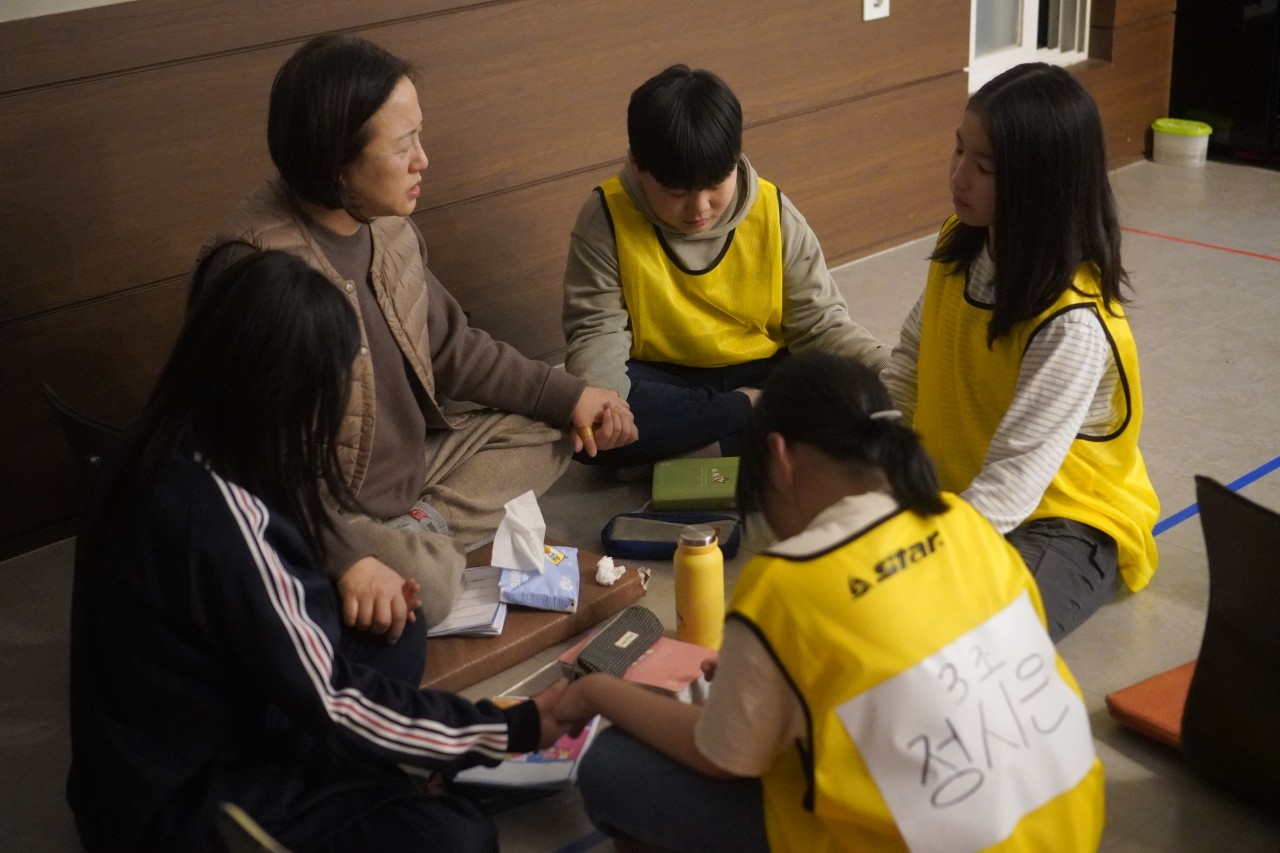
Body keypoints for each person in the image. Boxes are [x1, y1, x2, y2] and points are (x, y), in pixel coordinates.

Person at [67, 250, 570, 853]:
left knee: (395, 625)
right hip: (188, 806)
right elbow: (330, 696)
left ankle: (363, 779)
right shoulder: (223, 519)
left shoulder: (153, 447)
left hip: (151, 755)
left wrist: (352, 567)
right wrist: (511, 727)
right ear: (285, 395)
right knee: (460, 838)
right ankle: (341, 795)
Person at [552, 352, 1105, 852]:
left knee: (613, 765)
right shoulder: (963, 520)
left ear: (778, 457)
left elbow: (719, 758)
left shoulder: (786, 581)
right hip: (1075, 826)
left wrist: (594, 693)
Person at [194, 34, 637, 640]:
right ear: (335, 161)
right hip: (321, 503)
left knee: (555, 428)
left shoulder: (384, 221)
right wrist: (347, 554)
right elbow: (255, 467)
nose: (422, 160)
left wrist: (571, 395)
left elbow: (453, 348)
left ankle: (419, 528)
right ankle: (401, 548)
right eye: (403, 145)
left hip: (416, 466)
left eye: (419, 137)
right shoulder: (256, 270)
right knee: (431, 588)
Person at [880, 62, 1159, 642]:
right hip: (964, 497)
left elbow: (1013, 484)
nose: (959, 176)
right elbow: (908, 365)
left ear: (1040, 183)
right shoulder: (959, 244)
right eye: (959, 150)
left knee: (966, 637)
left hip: (1063, 521)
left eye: (984, 167)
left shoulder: (1071, 322)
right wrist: (864, 459)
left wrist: (914, 553)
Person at [561, 64, 888, 470]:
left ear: (736, 159)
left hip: (764, 368)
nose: (699, 208)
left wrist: (885, 367)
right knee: (583, 427)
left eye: (716, 185)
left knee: (847, 393)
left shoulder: (774, 211)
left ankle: (704, 439)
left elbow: (820, 324)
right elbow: (597, 331)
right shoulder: (605, 216)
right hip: (664, 378)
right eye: (676, 192)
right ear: (637, 166)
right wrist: (605, 406)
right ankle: (747, 418)